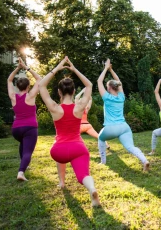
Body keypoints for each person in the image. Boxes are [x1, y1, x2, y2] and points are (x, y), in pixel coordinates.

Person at [39, 56, 100, 207]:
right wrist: (74, 69)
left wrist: (58, 67)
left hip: (58, 150)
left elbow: (41, 86)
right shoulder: (79, 107)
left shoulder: (55, 107)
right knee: (83, 175)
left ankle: (62, 182)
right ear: (74, 91)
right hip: (78, 148)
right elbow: (89, 85)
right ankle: (91, 188)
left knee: (60, 151)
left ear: (59, 92)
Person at [97, 59, 149, 171]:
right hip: (124, 127)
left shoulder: (106, 97)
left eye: (107, 87)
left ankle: (103, 161)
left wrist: (106, 68)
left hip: (111, 128)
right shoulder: (121, 97)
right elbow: (118, 81)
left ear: (109, 88)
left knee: (100, 138)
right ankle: (144, 160)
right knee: (130, 147)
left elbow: (99, 81)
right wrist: (111, 69)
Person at [7, 57, 41, 181]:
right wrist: (26, 67)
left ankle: (24, 166)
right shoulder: (31, 96)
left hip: (16, 129)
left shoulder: (13, 97)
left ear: (17, 86)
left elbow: (9, 80)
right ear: (28, 86)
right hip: (30, 128)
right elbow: (39, 79)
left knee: (23, 144)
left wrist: (17, 68)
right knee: (28, 151)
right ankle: (21, 172)